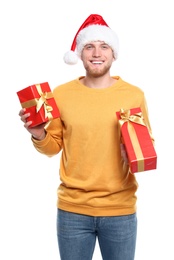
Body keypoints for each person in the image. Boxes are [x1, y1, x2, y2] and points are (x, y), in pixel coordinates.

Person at [19, 14, 155, 260]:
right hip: (72, 211)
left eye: (104, 46)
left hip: (120, 210)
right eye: (89, 47)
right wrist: (39, 134)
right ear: (80, 54)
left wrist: (134, 155)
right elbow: (53, 148)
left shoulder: (133, 95)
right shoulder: (61, 94)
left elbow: (147, 147)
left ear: (113, 54)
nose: (96, 53)